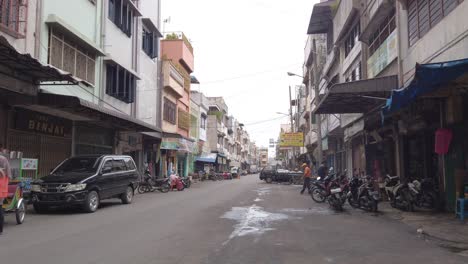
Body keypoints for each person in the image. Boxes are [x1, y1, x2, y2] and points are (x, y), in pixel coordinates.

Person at [0, 150, 11, 235]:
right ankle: (0, 229)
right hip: (2, 188)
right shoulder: (4, 159)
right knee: (0, 207)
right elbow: (9, 175)